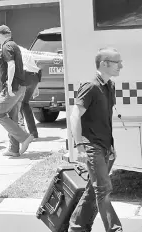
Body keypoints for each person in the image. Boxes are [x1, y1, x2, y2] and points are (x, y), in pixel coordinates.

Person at [68, 47, 123, 232]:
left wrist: (112, 145)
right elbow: (75, 116)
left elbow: (105, 118)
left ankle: (76, 227)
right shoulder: (90, 86)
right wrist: (80, 146)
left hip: (106, 147)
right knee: (103, 190)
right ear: (104, 63)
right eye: (117, 62)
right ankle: (115, 229)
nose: (121, 66)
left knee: (94, 191)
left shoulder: (110, 86)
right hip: (92, 147)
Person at [0, 25, 34, 157]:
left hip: (14, 87)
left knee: (0, 114)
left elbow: (11, 65)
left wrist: (9, 86)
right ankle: (13, 149)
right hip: (21, 87)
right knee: (12, 117)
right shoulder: (13, 45)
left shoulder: (6, 46)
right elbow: (6, 61)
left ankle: (24, 138)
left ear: (2, 35)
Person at [18, 46, 41, 138]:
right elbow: (35, 66)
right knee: (24, 104)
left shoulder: (10, 49)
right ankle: (33, 133)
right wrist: (36, 87)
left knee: (17, 104)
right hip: (34, 77)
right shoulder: (25, 50)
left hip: (25, 76)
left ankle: (21, 133)